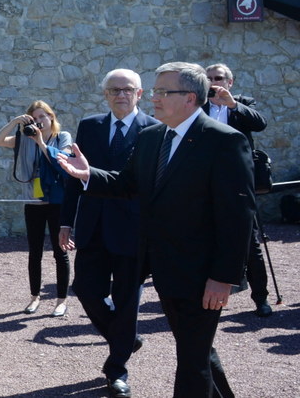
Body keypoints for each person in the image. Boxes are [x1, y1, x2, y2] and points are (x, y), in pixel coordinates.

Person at [58, 62, 255, 398]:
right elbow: (127, 184)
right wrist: (88, 174)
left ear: (190, 98)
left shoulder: (223, 141)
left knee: (192, 361)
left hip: (202, 274)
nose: (154, 98)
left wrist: (224, 276)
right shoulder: (152, 138)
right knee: (198, 351)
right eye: (156, 90)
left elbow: (238, 216)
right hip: (164, 269)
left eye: (164, 92)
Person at [58, 69, 158, 398]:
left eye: (127, 89)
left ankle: (117, 370)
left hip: (133, 229)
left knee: (128, 300)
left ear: (139, 93)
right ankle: (125, 338)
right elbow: (75, 176)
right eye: (114, 90)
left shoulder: (154, 131)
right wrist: (65, 222)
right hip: (93, 227)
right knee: (85, 289)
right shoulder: (90, 126)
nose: (120, 95)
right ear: (105, 95)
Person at [203, 63, 272, 317]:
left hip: (239, 183)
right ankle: (210, 295)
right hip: (204, 182)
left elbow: (260, 123)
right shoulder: (198, 104)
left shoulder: (242, 102)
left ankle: (261, 298)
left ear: (229, 82)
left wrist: (232, 104)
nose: (213, 82)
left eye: (218, 78)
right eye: (208, 78)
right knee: (204, 237)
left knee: (250, 242)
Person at [0, 100, 73, 317]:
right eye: (34, 118)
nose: (38, 122)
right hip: (33, 201)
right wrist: (15, 122)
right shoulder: (24, 139)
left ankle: (61, 300)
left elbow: (63, 161)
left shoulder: (62, 137)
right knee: (34, 252)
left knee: (60, 252)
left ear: (51, 117)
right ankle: (34, 297)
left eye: (42, 117)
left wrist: (41, 142)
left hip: (57, 202)